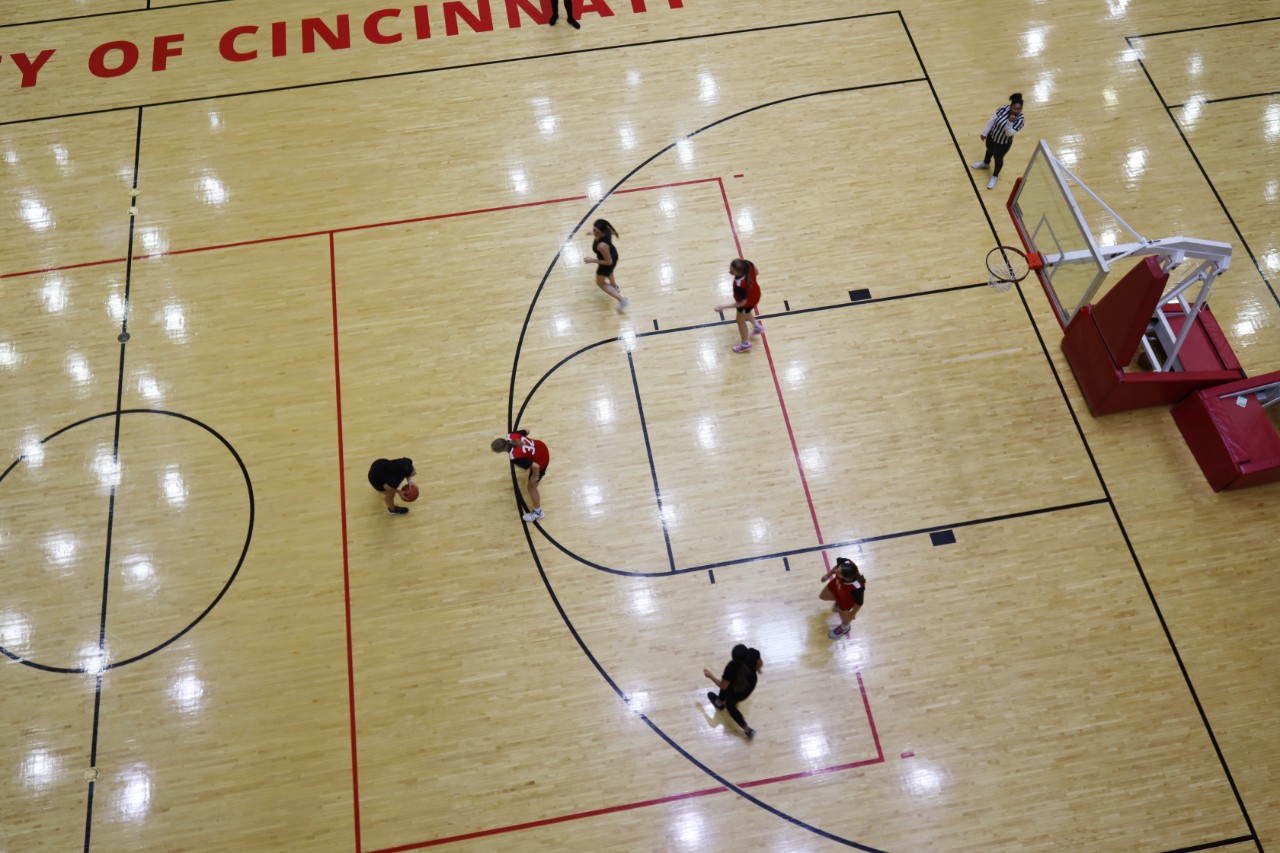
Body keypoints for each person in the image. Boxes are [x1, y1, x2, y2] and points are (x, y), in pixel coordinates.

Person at [703, 644, 762, 738]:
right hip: (751, 684)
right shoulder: (753, 652)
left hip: (739, 691)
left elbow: (723, 686)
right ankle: (719, 702)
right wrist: (758, 669)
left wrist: (711, 676)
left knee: (730, 705)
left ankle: (747, 729)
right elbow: (759, 662)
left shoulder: (731, 668)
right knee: (729, 687)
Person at [490, 430, 550, 521]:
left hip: (541, 460)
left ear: (500, 451)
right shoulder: (511, 435)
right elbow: (527, 431)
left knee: (531, 488)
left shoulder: (515, 457)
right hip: (541, 446)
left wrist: (533, 478)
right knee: (531, 481)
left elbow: (536, 466)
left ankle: (538, 513)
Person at [971, 93, 1025, 190]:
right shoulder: (1003, 108)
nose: (1016, 111)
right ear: (1010, 106)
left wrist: (1010, 121)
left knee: (998, 158)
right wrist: (985, 132)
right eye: (1014, 108)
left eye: (1019, 109)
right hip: (992, 137)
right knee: (989, 150)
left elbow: (1009, 133)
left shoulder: (1020, 120)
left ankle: (995, 176)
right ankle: (985, 163)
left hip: (1003, 143)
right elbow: (992, 120)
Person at [712, 258, 764, 353]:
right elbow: (756, 272)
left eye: (732, 270)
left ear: (739, 272)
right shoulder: (748, 264)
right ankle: (757, 326)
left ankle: (745, 344)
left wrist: (723, 307)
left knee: (740, 321)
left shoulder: (740, 284)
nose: (729, 271)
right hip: (756, 294)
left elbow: (742, 303)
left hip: (748, 302)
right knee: (746, 313)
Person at [583, 219, 627, 310]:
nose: (595, 232)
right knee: (609, 273)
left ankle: (622, 300)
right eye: (594, 230)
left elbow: (608, 262)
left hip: (607, 261)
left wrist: (592, 260)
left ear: (602, 231)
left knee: (600, 283)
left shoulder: (602, 245)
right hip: (613, 254)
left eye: (597, 232)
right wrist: (593, 233)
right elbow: (610, 233)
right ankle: (614, 286)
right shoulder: (607, 231)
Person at [820, 557, 866, 639]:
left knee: (845, 616)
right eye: (839, 568)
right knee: (823, 596)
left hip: (846, 600)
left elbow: (859, 603)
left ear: (845, 577)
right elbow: (837, 567)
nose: (836, 571)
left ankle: (845, 627)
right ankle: (838, 600)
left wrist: (852, 614)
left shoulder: (857, 587)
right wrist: (828, 574)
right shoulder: (846, 563)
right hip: (836, 586)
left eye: (838, 572)